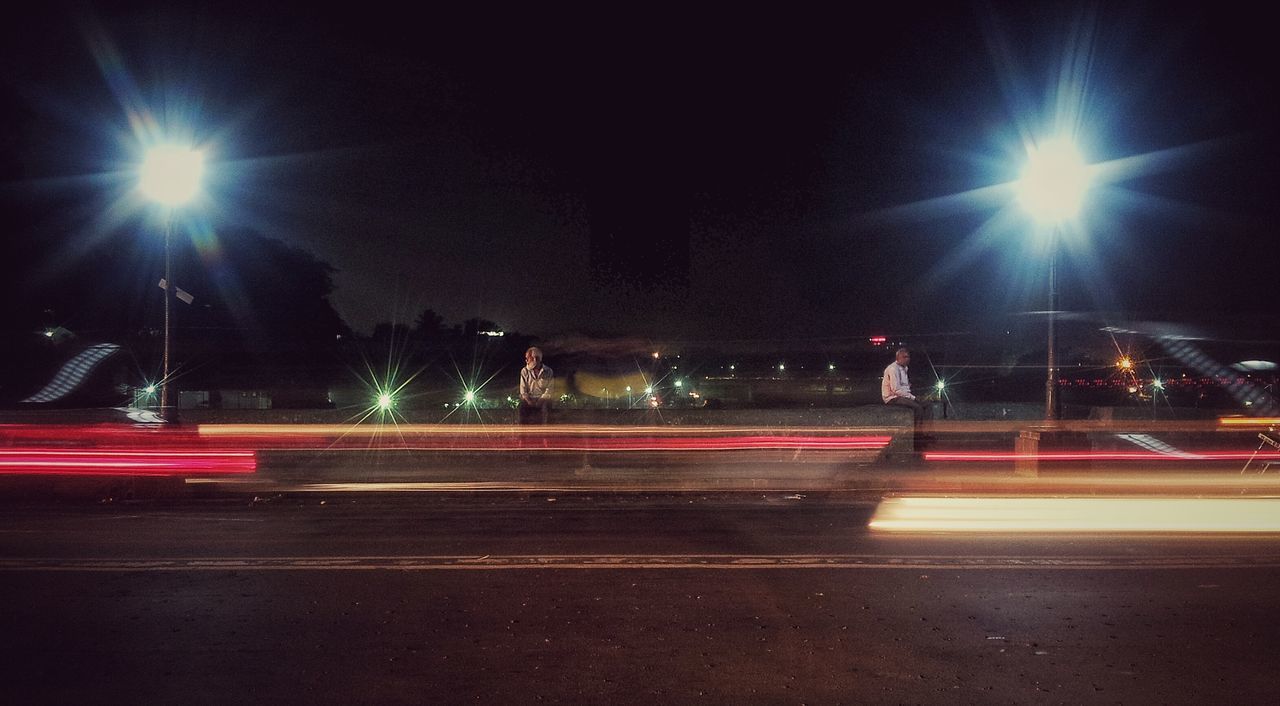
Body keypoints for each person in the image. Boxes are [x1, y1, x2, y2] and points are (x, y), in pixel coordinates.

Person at [882, 347, 926, 422]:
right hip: (893, 398)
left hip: (903, 395)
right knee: (918, 407)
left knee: (927, 404)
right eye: (904, 357)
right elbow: (896, 390)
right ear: (898, 358)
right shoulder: (893, 369)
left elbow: (904, 385)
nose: (907, 359)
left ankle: (927, 429)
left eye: (908, 357)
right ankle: (917, 431)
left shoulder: (905, 368)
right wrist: (913, 398)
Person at [518, 346, 554, 424]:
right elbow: (523, 391)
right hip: (528, 399)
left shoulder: (548, 371)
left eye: (536, 358)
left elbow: (549, 390)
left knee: (545, 410)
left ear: (538, 359)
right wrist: (529, 401)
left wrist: (540, 401)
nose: (527, 361)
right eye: (529, 358)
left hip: (542, 399)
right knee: (522, 412)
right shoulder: (524, 371)